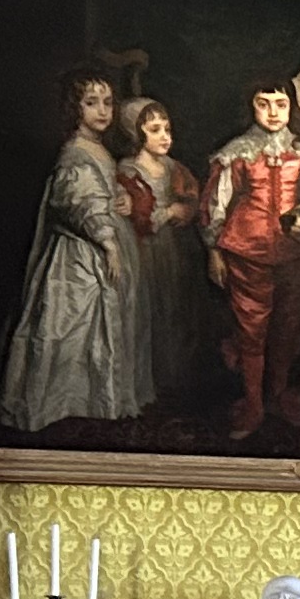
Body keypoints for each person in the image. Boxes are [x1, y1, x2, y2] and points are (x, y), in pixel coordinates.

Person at [0, 68, 150, 431]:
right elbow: (79, 202)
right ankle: (64, 405)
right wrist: (108, 243)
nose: (103, 110)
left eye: (107, 102)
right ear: (74, 108)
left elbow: (103, 192)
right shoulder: (75, 152)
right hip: (79, 256)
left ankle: (96, 402)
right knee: (73, 326)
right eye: (91, 103)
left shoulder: (97, 149)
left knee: (97, 328)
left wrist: (122, 198)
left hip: (101, 243)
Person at [203, 81, 300, 439]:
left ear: (291, 107)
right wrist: (213, 251)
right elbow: (215, 206)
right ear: (251, 107)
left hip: (295, 252)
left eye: (280, 104)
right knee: (252, 330)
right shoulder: (236, 153)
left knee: (288, 325)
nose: (272, 112)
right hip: (247, 251)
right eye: (263, 103)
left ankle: (279, 398)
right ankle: (253, 406)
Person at [112, 97, 205, 405]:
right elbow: (137, 218)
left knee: (177, 306)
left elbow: (193, 200)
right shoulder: (128, 171)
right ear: (135, 133)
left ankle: (175, 378)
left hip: (176, 248)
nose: (165, 136)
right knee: (150, 309)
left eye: (167, 129)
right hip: (146, 251)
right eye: (155, 130)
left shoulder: (173, 167)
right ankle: (150, 380)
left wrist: (185, 211)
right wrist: (167, 213)